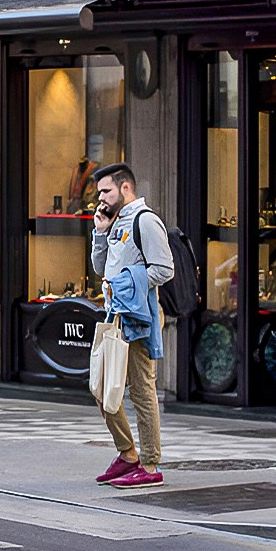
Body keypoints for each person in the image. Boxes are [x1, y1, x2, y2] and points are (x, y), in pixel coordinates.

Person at [89, 162, 174, 490]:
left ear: (125, 188)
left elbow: (165, 270)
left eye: (106, 191)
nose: (101, 199)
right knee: (101, 387)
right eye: (99, 193)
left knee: (141, 391)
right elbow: (100, 269)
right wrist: (100, 233)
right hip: (115, 316)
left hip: (139, 316)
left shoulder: (145, 221)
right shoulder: (115, 221)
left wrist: (127, 283)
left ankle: (150, 464)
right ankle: (127, 454)